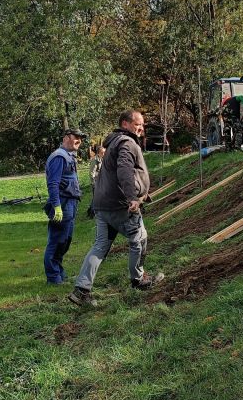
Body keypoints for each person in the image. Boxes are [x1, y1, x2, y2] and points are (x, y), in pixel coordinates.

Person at [68, 110, 164, 307]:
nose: (141, 128)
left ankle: (81, 290)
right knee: (139, 239)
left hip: (103, 205)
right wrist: (132, 198)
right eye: (138, 124)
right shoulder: (126, 143)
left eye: (142, 125)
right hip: (121, 205)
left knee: (100, 246)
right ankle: (138, 280)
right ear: (125, 123)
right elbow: (125, 171)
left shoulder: (113, 142)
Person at [43, 128, 87, 285]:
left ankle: (59, 273)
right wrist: (57, 206)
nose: (79, 141)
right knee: (56, 241)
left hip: (70, 203)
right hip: (62, 203)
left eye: (81, 139)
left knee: (65, 240)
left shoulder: (69, 156)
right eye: (77, 137)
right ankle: (53, 278)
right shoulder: (59, 157)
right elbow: (53, 184)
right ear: (66, 137)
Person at [86, 144, 105, 218]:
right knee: (96, 197)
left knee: (97, 197)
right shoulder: (95, 160)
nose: (104, 154)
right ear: (98, 153)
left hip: (101, 181)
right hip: (96, 181)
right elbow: (91, 173)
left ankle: (91, 211)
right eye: (102, 152)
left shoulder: (102, 159)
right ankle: (91, 213)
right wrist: (93, 183)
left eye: (104, 152)